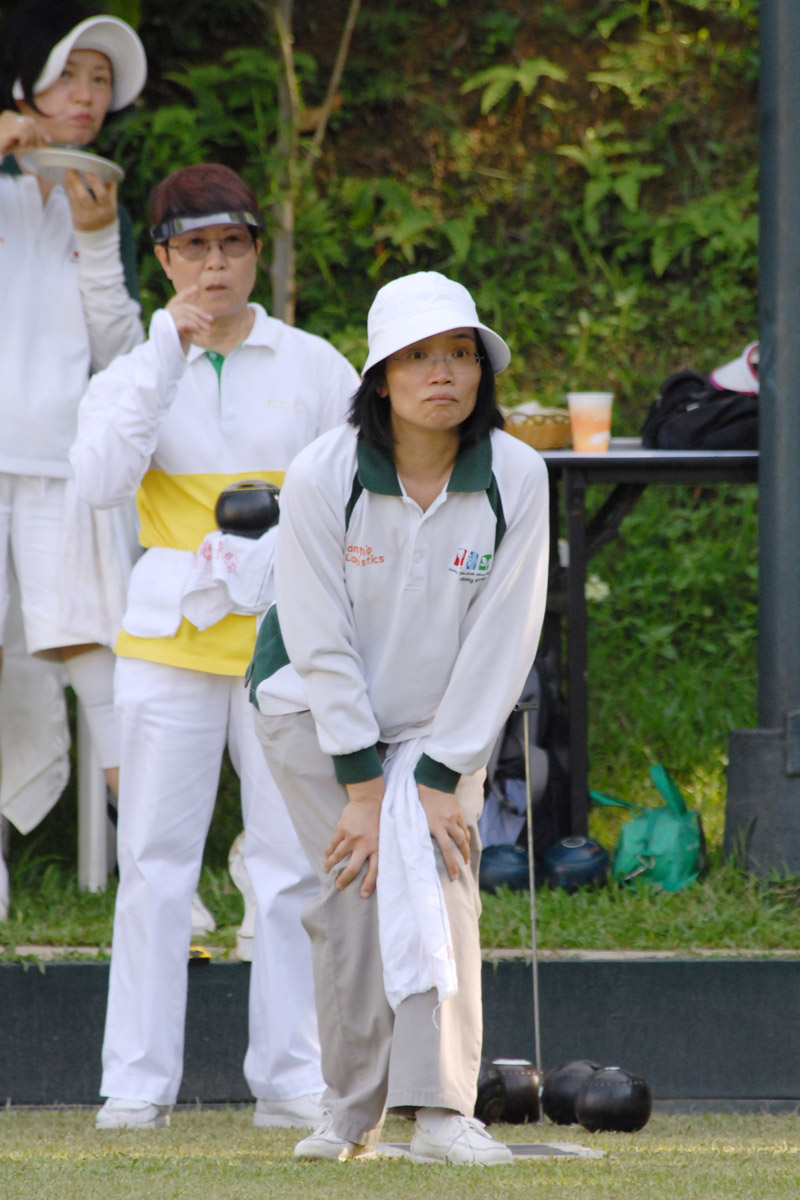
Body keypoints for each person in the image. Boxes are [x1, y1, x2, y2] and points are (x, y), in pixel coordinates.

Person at [70, 163, 360, 1130]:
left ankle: (291, 1080)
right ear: (162, 259)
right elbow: (99, 482)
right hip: (170, 641)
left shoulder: (314, 364)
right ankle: (135, 1084)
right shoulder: (135, 370)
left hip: (287, 641)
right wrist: (166, 354)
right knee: (155, 862)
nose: (215, 265)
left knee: (290, 863)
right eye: (194, 246)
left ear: (256, 252)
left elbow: (358, 490)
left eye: (232, 244)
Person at [249, 271, 550, 1165]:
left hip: (443, 722)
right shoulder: (322, 473)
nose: (442, 373)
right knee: (358, 890)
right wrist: (361, 785)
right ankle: (352, 1114)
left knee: (441, 883)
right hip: (312, 710)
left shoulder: (518, 474)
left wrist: (441, 774)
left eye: (460, 354)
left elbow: (504, 636)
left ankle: (442, 1115)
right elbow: (318, 634)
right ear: (381, 378)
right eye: (418, 357)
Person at [0, 1, 147, 911]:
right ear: (26, 80)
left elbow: (122, 354)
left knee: (96, 646)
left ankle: (152, 865)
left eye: (101, 81)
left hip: (62, 463)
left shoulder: (100, 198)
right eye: (71, 75)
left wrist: (97, 243)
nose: (89, 94)